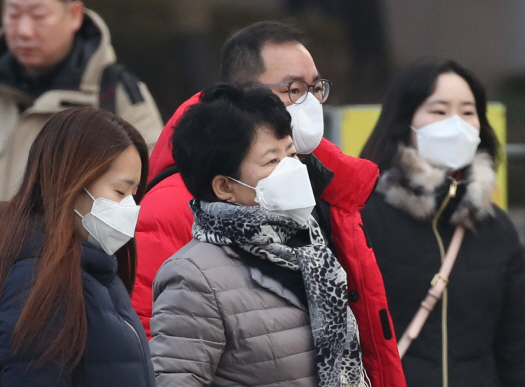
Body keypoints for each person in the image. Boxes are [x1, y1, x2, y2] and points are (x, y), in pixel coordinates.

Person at [133, 20, 406, 387]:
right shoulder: (172, 208)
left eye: (315, 88)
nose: (309, 101)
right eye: (294, 89)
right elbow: (163, 356)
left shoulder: (324, 191)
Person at [150, 83, 369, 387]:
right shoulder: (193, 278)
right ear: (225, 187)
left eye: (291, 154)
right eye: (271, 161)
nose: (291, 169)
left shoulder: (309, 246)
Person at [360, 59, 525, 387]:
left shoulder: (497, 229)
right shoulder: (364, 218)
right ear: (405, 122)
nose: (456, 124)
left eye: (467, 112)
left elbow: (515, 348)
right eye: (438, 111)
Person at [0, 107, 155, 386]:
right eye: (120, 192)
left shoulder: (97, 273)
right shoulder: (40, 280)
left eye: (135, 195)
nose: (131, 208)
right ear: (71, 181)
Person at [0, 0, 163, 201]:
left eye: (38, 15)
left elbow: (153, 186)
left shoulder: (116, 94)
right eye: (13, 15)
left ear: (75, 15)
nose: (24, 31)